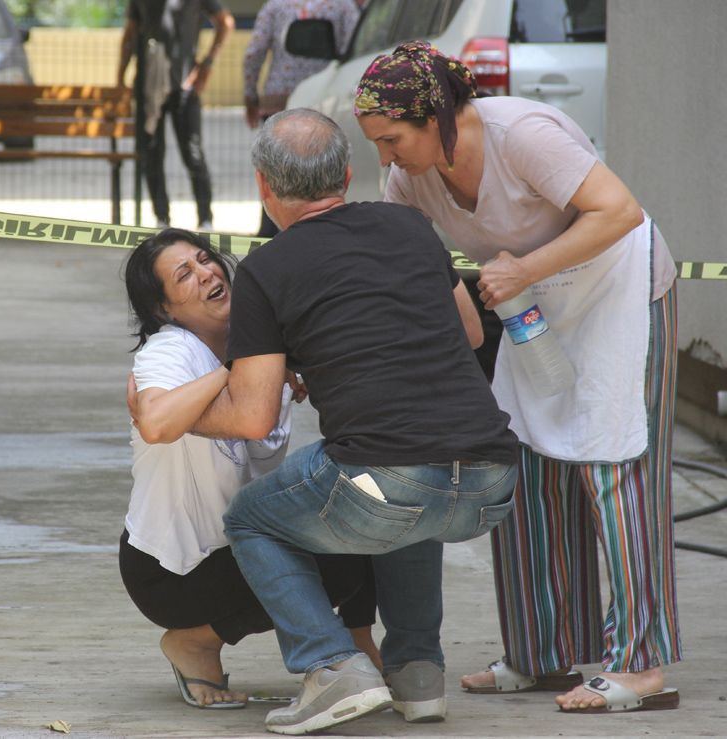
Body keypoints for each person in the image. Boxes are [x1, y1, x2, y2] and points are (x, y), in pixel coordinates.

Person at [353, 40, 681, 714]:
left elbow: (617, 211)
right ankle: (540, 653)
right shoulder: (411, 177)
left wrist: (524, 270)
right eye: (376, 145)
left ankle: (641, 666)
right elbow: (409, 266)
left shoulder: (521, 135)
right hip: (535, 307)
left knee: (615, 466)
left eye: (391, 139)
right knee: (523, 462)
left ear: (434, 115)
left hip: (620, 290)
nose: (386, 157)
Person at [182, 108, 519, 735]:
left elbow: (253, 417)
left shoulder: (266, 268)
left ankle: (331, 664)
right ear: (344, 172)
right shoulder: (411, 226)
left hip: (392, 480)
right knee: (405, 502)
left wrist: (179, 417)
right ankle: (418, 677)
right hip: (492, 480)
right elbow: (471, 332)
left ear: (263, 185)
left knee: (252, 517)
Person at [120, 227, 380, 709]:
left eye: (205, 259)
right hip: (173, 569)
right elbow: (154, 421)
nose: (206, 273)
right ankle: (194, 641)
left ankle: (362, 654)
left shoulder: (261, 346)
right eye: (185, 274)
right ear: (164, 310)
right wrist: (236, 365)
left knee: (368, 508)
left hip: (235, 546)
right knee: (337, 562)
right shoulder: (170, 350)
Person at [243, 0, 360, 237]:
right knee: (323, 172)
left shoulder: (275, 6)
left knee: (277, 171)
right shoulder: (343, 6)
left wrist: (250, 95)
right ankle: (323, 229)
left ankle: (270, 233)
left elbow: (253, 53)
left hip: (279, 103)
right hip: (325, 101)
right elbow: (356, 51)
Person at [117, 0, 234, 230]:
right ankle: (162, 219)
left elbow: (225, 22)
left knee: (192, 153)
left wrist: (207, 63)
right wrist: (120, 79)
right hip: (148, 86)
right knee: (151, 153)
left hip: (185, 87)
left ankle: (205, 219)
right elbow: (130, 34)